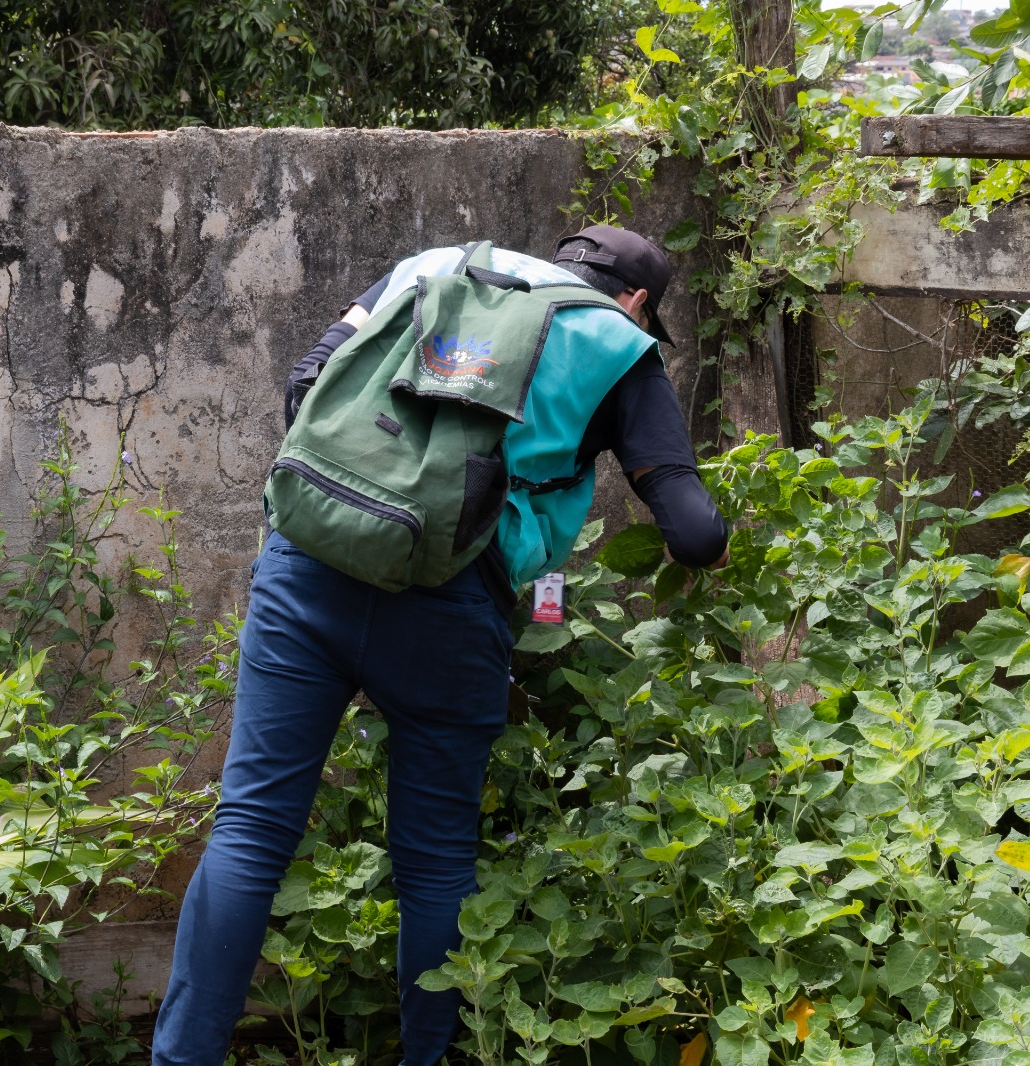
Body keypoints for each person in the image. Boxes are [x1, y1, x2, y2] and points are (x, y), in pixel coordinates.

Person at [150, 225, 729, 1066]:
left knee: (250, 832)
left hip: (311, 563)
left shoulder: (428, 268)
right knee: (433, 863)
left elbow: (307, 382)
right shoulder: (619, 346)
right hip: (452, 605)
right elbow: (692, 529)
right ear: (637, 299)